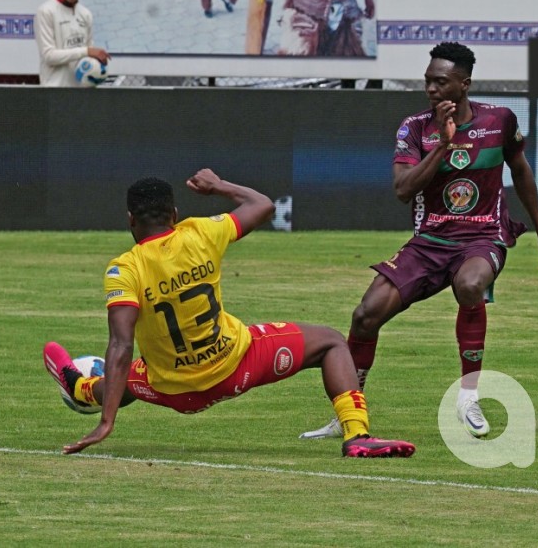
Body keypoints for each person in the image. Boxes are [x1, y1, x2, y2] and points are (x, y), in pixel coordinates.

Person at [43, 169, 415, 458]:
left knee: (134, 376)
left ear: (130, 220)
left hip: (173, 391)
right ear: (174, 213)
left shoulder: (123, 269)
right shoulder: (201, 232)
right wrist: (219, 185)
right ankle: (356, 435)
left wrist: (107, 422)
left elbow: (121, 346)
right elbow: (263, 205)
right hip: (238, 366)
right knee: (333, 342)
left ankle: (82, 389)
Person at [300, 42, 538, 440]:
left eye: (441, 82)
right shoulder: (414, 128)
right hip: (428, 242)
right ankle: (348, 415)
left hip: (482, 236)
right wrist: (442, 142)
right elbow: (403, 189)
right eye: (427, 81)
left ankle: (468, 397)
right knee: (365, 315)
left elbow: (521, 172)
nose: (431, 89)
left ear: (464, 84)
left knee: (471, 285)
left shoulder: (501, 121)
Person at [34, 0, 110, 87]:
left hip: (81, 92)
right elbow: (49, 56)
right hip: (55, 91)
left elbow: (88, 56)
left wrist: (98, 65)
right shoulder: (46, 11)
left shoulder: (86, 14)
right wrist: (87, 51)